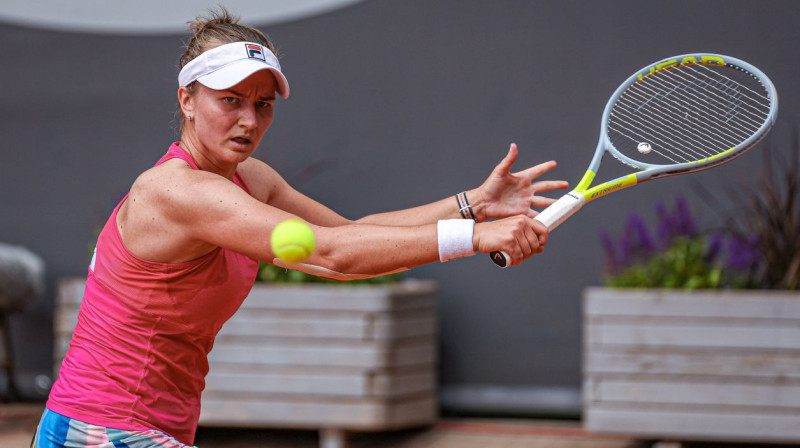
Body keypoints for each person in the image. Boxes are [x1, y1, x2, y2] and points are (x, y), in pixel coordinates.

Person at [32, 7, 568, 448]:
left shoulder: (251, 179)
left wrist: (472, 204)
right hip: (103, 428)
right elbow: (334, 255)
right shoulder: (175, 191)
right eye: (230, 101)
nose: (249, 121)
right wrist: (473, 239)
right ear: (187, 101)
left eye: (263, 106)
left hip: (143, 426)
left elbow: (353, 234)